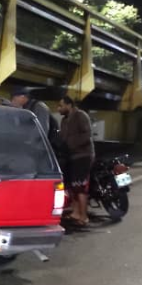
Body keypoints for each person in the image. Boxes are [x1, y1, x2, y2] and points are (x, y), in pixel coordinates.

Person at [58, 95, 94, 227]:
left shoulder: (80, 116)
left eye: (61, 106)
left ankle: (84, 217)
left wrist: (71, 145)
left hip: (83, 156)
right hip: (70, 156)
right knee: (71, 186)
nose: (59, 109)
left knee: (79, 187)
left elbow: (87, 135)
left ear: (69, 105)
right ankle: (75, 212)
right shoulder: (64, 121)